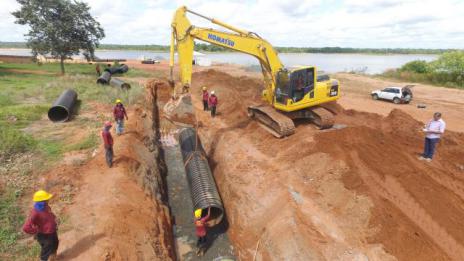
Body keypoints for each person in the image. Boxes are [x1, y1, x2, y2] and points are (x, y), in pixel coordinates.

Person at [23, 190, 59, 261]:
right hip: (44, 235)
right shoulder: (35, 212)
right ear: (42, 201)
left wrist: (55, 219)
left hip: (52, 231)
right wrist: (36, 231)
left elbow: (50, 214)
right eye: (46, 199)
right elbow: (26, 227)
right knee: (46, 249)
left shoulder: (46, 207)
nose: (48, 200)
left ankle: (53, 258)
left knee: (55, 243)